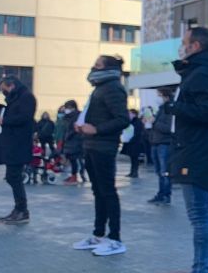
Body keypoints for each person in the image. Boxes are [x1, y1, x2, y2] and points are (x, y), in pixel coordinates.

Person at [165, 27, 208, 273]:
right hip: (191, 149)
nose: (181, 47)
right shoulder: (196, 72)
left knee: (199, 215)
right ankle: (203, 270)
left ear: (196, 46)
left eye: (184, 43)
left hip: (196, 152)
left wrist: (175, 107)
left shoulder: (202, 73)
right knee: (200, 214)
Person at [71, 55, 131, 256]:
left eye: (97, 65)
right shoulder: (100, 87)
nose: (92, 68)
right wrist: (83, 127)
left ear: (107, 69)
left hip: (104, 146)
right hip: (92, 145)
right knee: (98, 191)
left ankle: (115, 237)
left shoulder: (113, 87)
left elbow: (123, 119)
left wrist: (96, 129)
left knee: (108, 191)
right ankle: (98, 234)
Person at [0, 76, 36, 225]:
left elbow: (25, 117)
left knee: (14, 177)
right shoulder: (15, 98)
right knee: (12, 177)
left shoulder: (26, 97)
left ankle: (22, 210)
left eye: (3, 89)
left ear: (11, 85)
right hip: (12, 143)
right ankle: (18, 209)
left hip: (19, 144)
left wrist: (5, 121)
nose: (3, 92)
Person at [148, 89, 175, 205]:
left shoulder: (169, 110)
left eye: (159, 95)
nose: (158, 98)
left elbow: (169, 128)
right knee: (159, 171)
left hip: (164, 144)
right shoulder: (160, 109)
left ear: (166, 97)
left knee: (165, 171)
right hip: (156, 143)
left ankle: (166, 195)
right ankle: (160, 193)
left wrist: (154, 122)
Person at [60, 101, 86, 185]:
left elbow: (76, 129)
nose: (66, 110)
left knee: (76, 159)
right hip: (69, 141)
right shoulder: (67, 117)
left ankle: (76, 176)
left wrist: (68, 135)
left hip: (75, 141)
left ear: (72, 107)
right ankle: (73, 175)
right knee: (72, 159)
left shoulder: (77, 116)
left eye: (67, 108)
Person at [121, 109, 146, 178]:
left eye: (130, 113)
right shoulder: (130, 122)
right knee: (132, 158)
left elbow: (138, 133)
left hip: (136, 143)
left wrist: (131, 140)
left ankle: (134, 172)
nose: (129, 115)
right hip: (131, 143)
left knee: (135, 159)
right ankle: (132, 172)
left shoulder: (137, 122)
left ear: (134, 114)